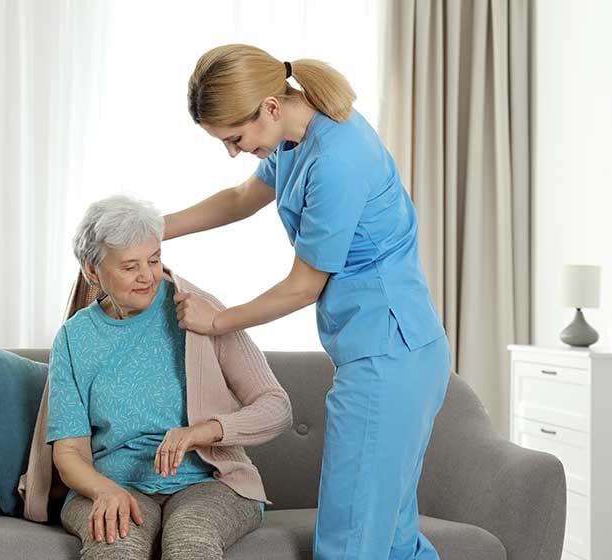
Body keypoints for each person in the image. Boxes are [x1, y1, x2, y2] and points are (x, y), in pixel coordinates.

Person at [165, 44, 451, 559]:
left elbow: (304, 286)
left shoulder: (338, 158)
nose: (233, 151)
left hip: (389, 355)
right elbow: (239, 200)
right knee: (390, 538)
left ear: (270, 107)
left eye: (234, 138)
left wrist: (217, 321)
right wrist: (155, 229)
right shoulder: (294, 138)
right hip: (391, 353)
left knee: (352, 541)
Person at [47, 195, 292, 559]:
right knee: (116, 547)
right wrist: (102, 490)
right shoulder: (73, 338)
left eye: (154, 259)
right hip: (113, 481)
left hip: (209, 482)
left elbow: (277, 408)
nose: (147, 276)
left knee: (189, 542)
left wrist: (201, 432)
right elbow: (69, 451)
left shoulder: (198, 310)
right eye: (130, 267)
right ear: (93, 270)